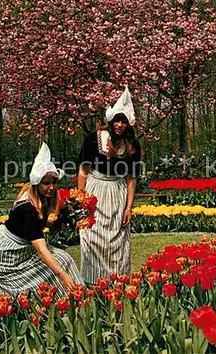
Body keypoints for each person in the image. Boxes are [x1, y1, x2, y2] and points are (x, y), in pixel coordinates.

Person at [0, 143, 83, 298]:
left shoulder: (42, 200)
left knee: (64, 258)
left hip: (23, 251)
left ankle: (76, 296)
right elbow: (42, 250)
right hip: (8, 260)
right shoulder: (27, 209)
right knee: (60, 264)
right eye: (46, 183)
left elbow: (45, 222)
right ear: (37, 184)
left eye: (54, 182)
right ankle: (73, 297)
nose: (51, 187)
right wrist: (62, 275)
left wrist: (64, 219)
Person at [77, 86, 142, 284]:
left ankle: (117, 281)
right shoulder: (93, 139)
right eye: (117, 120)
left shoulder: (133, 145)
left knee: (117, 239)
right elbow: (83, 171)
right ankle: (92, 282)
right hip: (95, 190)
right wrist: (81, 199)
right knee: (93, 235)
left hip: (118, 192)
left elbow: (131, 179)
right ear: (111, 120)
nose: (120, 125)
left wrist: (129, 207)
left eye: (123, 121)